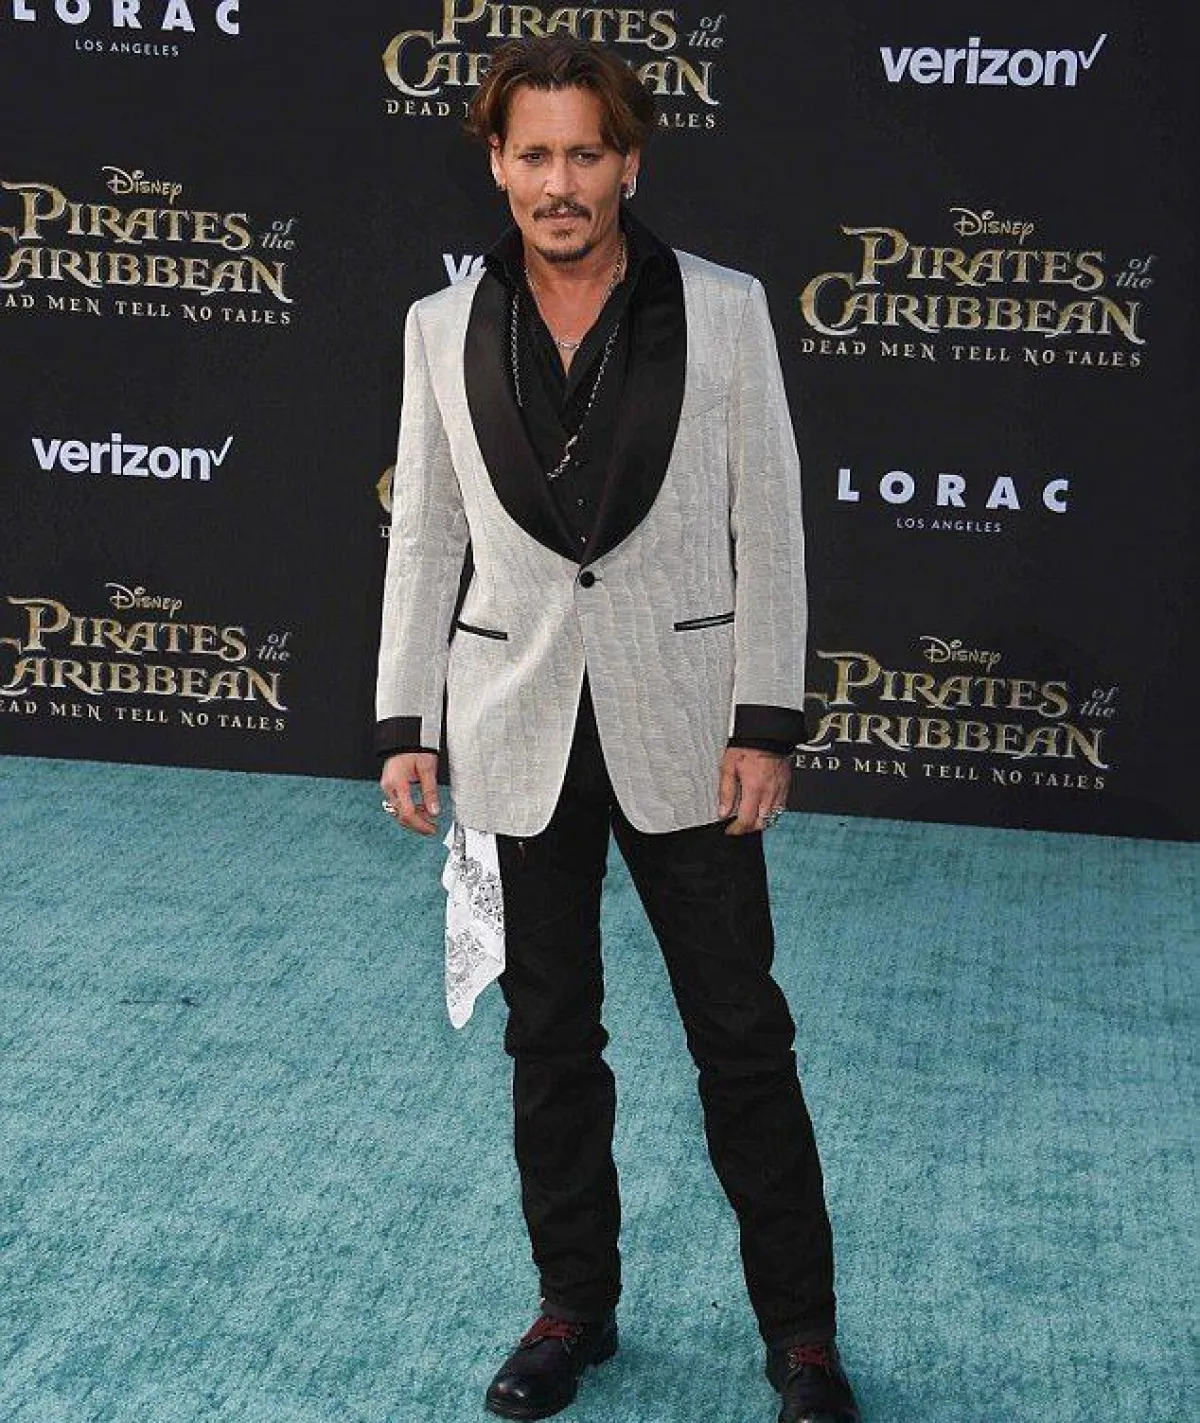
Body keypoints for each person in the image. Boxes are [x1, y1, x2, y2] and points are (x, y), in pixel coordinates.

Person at [375, 35, 860, 1423]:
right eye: (534, 154)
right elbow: (429, 534)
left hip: (689, 725)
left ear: (629, 162)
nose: (560, 182)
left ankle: (802, 1338)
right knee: (549, 1041)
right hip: (513, 724)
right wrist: (407, 715)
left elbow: (770, 523)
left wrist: (765, 719)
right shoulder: (440, 326)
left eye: (585, 152)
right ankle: (572, 1309)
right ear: (497, 164)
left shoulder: (725, 309)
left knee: (742, 1037)